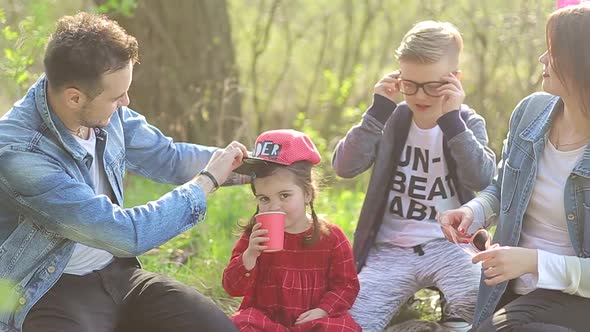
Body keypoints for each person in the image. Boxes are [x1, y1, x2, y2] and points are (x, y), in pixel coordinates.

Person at [0, 12, 247, 332]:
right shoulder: (20, 155)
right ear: (74, 97)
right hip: (49, 289)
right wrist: (206, 183)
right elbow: (125, 235)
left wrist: (256, 167)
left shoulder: (103, 111)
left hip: (117, 274)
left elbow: (169, 157)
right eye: (117, 96)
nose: (126, 102)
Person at [332, 21, 496, 331]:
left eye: (432, 85)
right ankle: (407, 319)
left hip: (451, 246)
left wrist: (452, 123)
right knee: (352, 322)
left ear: (454, 81)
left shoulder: (466, 122)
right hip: (390, 250)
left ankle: (453, 315)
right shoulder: (390, 119)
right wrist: (376, 113)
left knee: (484, 305)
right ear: (398, 78)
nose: (420, 95)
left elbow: (483, 179)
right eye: (410, 84)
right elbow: (344, 167)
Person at [438, 4, 590, 331]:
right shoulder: (530, 111)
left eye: (552, 51)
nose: (542, 59)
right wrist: (474, 211)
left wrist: (532, 261)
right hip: (511, 288)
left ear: (581, 62)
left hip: (578, 299)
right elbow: (502, 186)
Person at [222, 129, 361, 331]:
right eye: (264, 198)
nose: (274, 206)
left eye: (284, 195)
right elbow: (231, 287)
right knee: (241, 323)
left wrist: (324, 309)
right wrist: (249, 256)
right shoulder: (255, 236)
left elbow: (346, 285)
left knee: (344, 328)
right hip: (267, 321)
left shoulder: (331, 237)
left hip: (311, 321)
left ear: (307, 194)